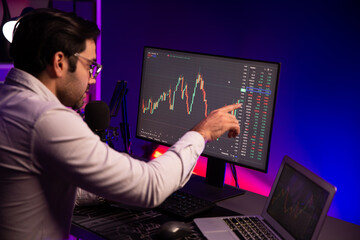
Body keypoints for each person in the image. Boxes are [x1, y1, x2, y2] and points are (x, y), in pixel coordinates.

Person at [0, 8, 241, 240]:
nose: (93, 79)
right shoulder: (47, 119)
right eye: (89, 65)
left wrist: (109, 187)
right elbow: (151, 186)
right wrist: (202, 132)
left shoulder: (8, 100)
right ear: (60, 62)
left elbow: (39, 184)